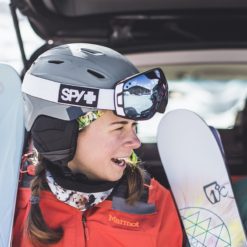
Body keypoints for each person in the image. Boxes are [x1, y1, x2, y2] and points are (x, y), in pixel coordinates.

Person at [13, 43, 183, 246]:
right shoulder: (11, 195)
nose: (135, 142)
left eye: (133, 127)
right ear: (61, 132)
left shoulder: (154, 201)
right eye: (119, 127)